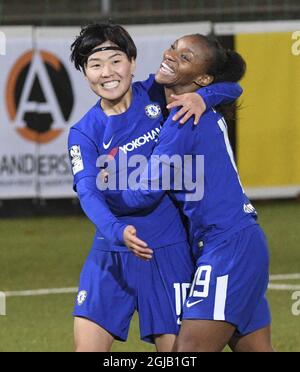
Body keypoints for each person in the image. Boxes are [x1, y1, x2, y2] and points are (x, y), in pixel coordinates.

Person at [68, 23, 243, 352]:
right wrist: (117, 231)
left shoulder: (156, 92)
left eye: (116, 61)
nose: (107, 73)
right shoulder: (84, 133)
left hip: (169, 252)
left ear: (133, 62)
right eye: (94, 64)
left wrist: (203, 97)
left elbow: (233, 88)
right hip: (111, 254)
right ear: (85, 72)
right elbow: (89, 195)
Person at [114, 34, 273, 352]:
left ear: (201, 78)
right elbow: (233, 86)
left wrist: (101, 191)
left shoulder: (183, 121)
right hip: (237, 242)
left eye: (185, 57)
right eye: (174, 47)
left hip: (228, 251)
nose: (171, 55)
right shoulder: (197, 107)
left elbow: (145, 193)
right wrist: (207, 95)